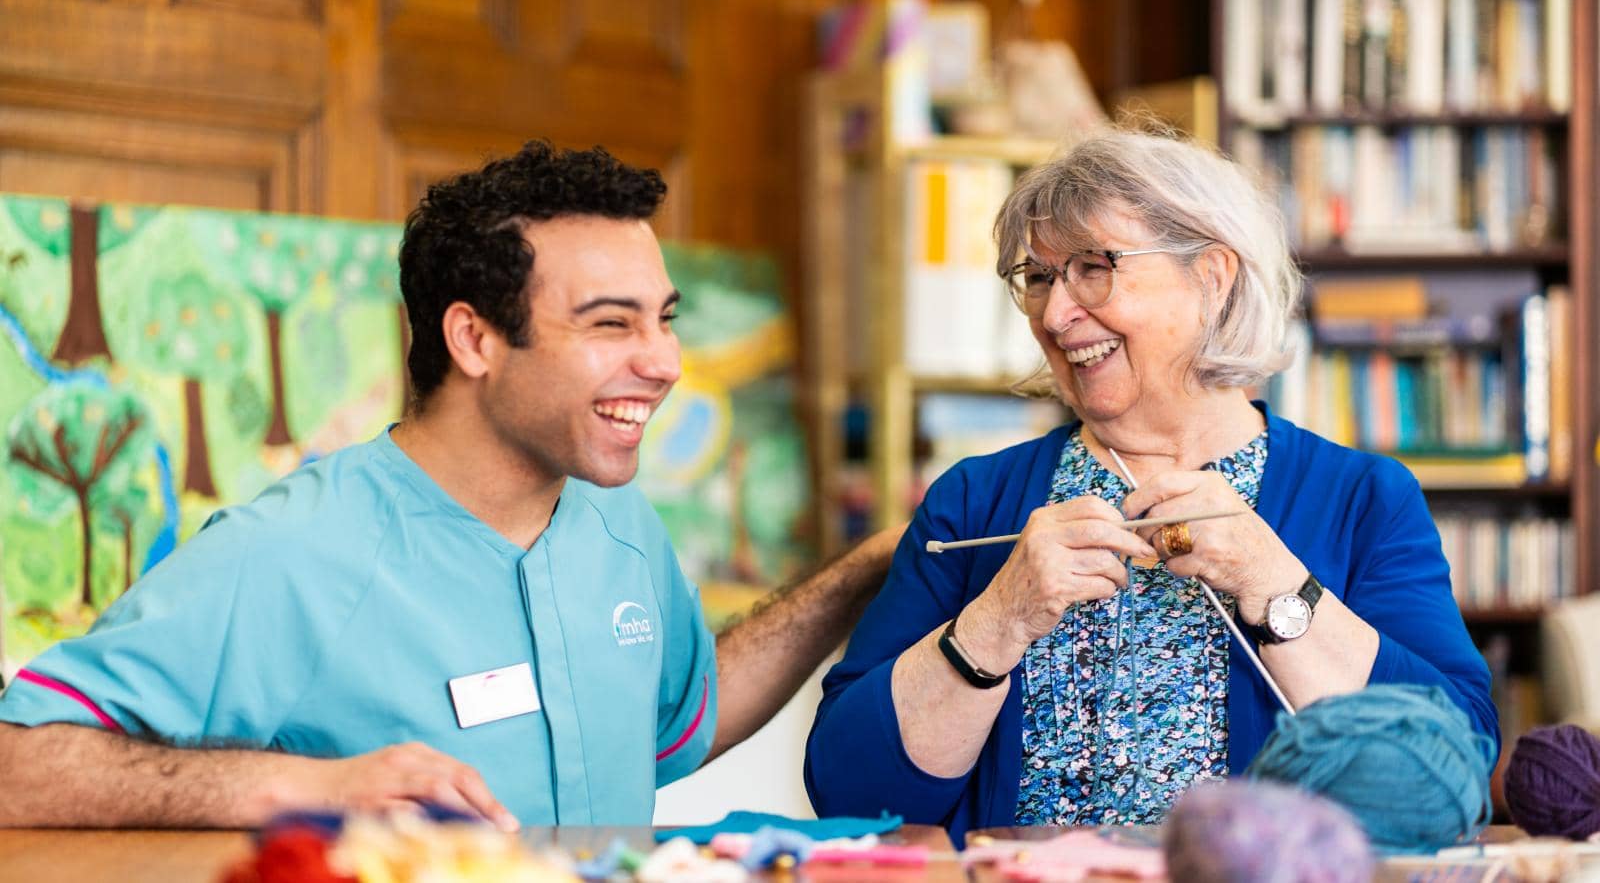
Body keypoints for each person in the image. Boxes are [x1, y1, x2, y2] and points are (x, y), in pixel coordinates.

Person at [0, 142, 900, 830]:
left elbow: (679, 722)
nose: (663, 362)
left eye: (662, 320)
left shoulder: (617, 520)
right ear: (473, 340)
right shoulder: (288, 552)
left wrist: (867, 568)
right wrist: (304, 786)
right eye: (610, 324)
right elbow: (17, 765)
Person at [804, 129, 1498, 841]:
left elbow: (1454, 762)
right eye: (1039, 278)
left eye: (1092, 268)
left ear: (1213, 276)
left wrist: (1277, 586)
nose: (1054, 314)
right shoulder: (973, 503)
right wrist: (997, 620)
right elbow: (848, 789)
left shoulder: (1363, 499)